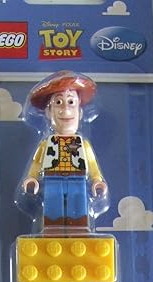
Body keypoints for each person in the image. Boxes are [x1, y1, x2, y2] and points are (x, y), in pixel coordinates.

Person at [23, 71, 108, 231]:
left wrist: (97, 180)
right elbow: (37, 162)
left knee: (78, 204)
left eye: (71, 102)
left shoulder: (83, 144)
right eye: (58, 102)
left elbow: (91, 164)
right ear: (49, 112)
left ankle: (79, 232)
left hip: (78, 180)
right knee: (53, 205)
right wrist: (32, 178)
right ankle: (53, 231)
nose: (66, 110)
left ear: (80, 112)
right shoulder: (46, 144)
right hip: (51, 179)